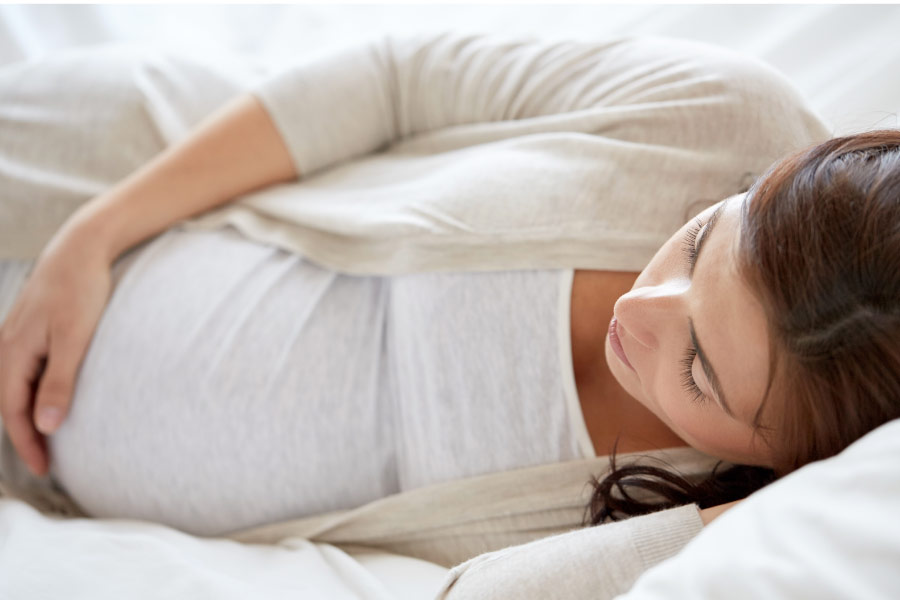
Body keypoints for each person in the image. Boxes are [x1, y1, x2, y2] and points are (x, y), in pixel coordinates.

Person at [1, 32, 881, 543]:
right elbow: (395, 80)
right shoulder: (726, 117)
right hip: (93, 190)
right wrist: (93, 237)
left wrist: (724, 524)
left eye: (699, 372)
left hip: (37, 484)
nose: (638, 312)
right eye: (696, 243)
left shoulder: (716, 524)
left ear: (783, 458)